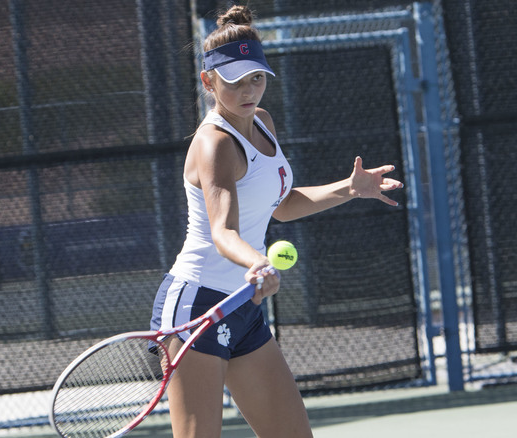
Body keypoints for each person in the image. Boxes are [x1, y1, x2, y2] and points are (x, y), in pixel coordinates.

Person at [150, 5, 404, 438]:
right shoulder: (214, 145)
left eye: (257, 77)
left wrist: (349, 187)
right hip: (196, 309)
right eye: (234, 81)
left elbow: (281, 206)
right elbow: (222, 230)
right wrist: (258, 263)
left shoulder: (263, 123)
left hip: (242, 307)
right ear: (208, 81)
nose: (249, 90)